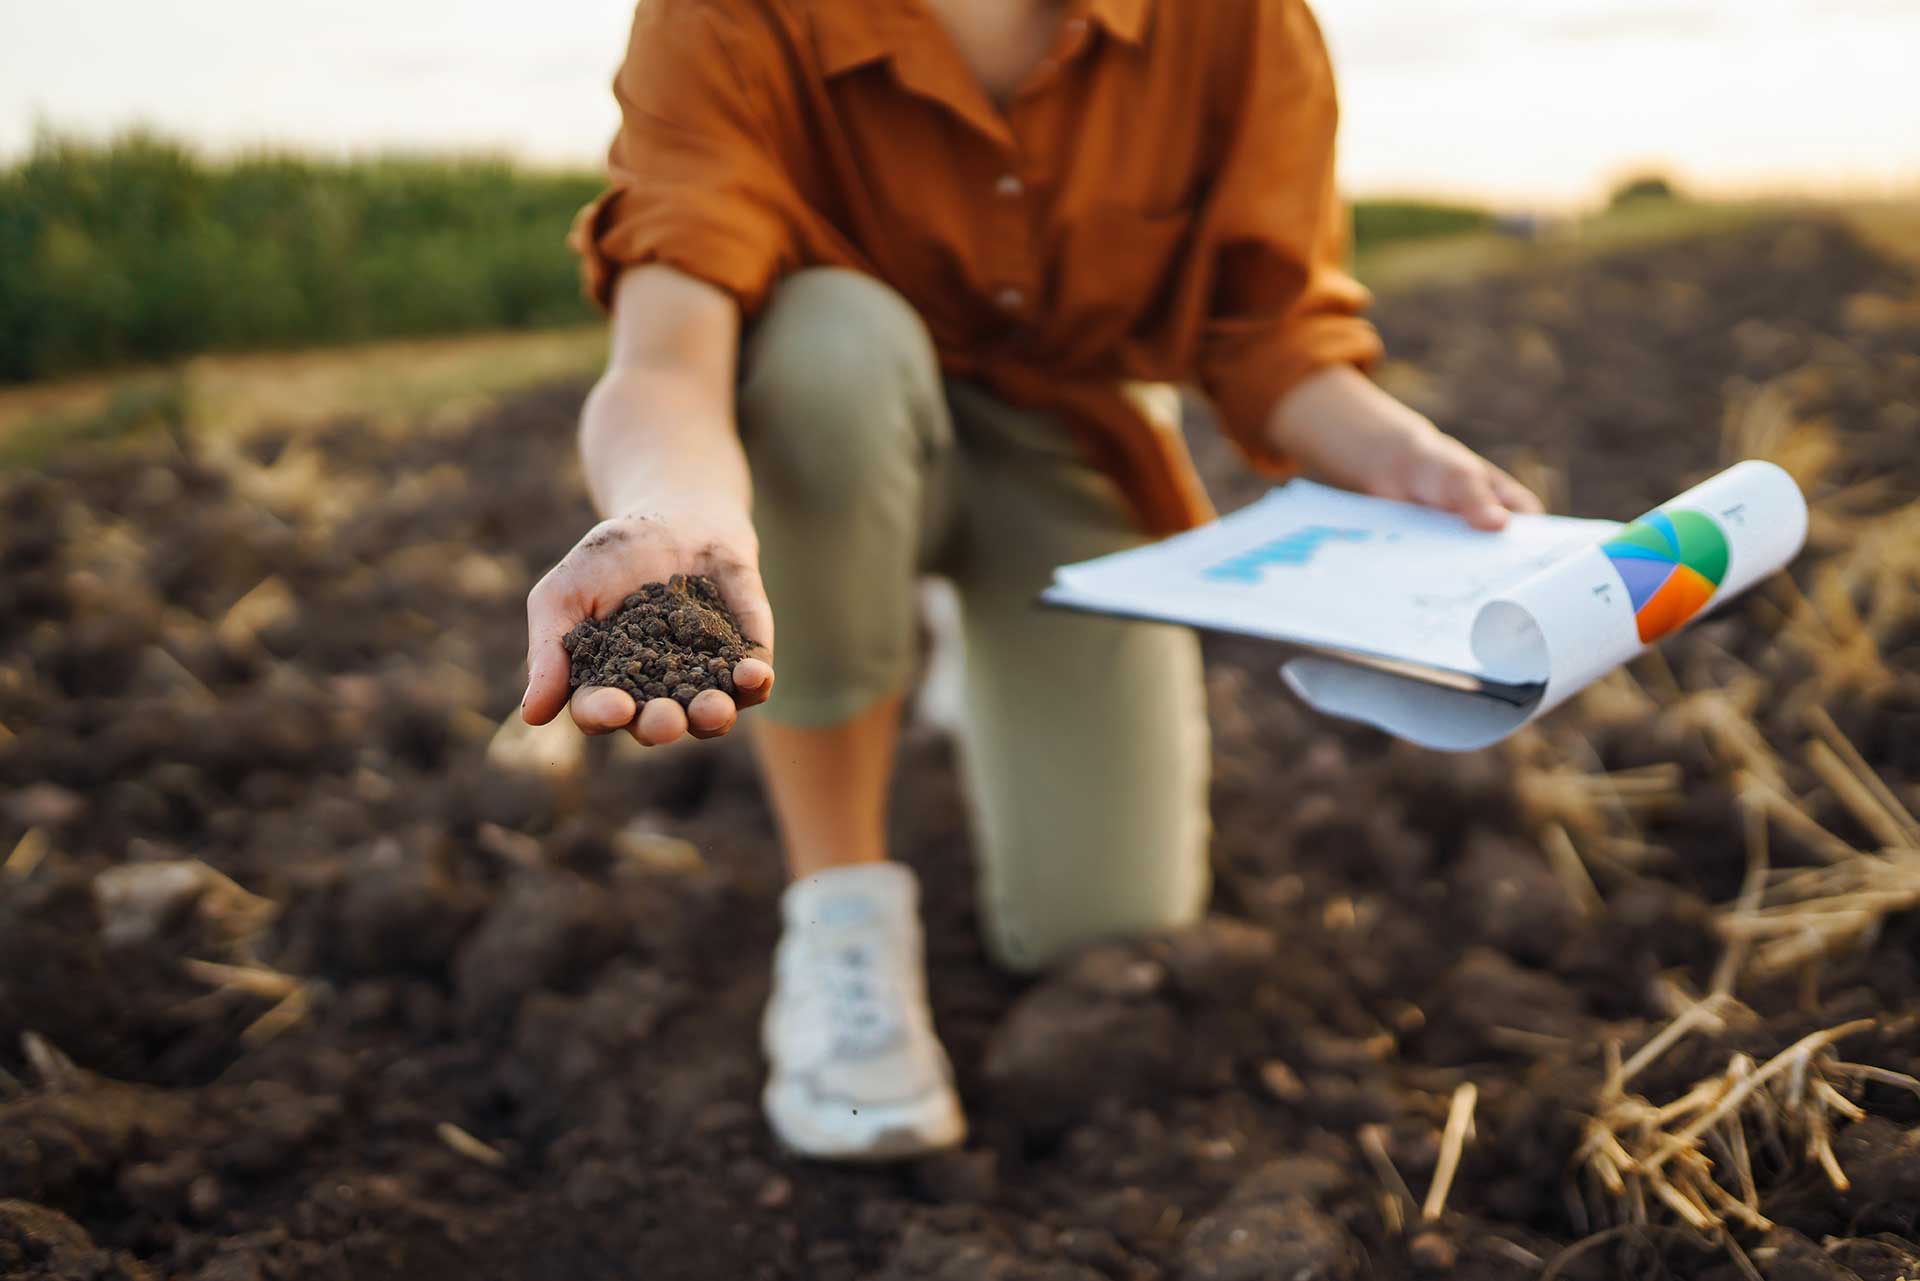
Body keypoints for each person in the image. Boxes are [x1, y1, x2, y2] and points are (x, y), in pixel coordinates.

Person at [522, 0, 1542, 1161]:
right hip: (825, 435)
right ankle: (841, 911)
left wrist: (1407, 458)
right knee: (825, 346)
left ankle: (973, 644)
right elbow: (667, 353)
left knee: (1105, 925)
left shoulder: (1241, 23)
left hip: (1072, 439)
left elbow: (1270, 332)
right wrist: (676, 508)